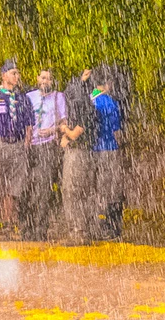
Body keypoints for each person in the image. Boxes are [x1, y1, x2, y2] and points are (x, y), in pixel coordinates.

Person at [0, 59, 34, 238]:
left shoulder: (22, 98)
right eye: (13, 73)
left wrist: (26, 144)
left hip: (17, 146)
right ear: (4, 76)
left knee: (13, 188)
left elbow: (29, 124)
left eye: (18, 73)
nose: (17, 76)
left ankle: (9, 224)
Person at [20, 69, 66, 241]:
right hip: (29, 147)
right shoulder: (29, 97)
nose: (46, 81)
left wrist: (52, 129)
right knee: (27, 188)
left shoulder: (58, 97)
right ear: (37, 78)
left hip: (48, 147)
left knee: (43, 190)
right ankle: (26, 228)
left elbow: (64, 123)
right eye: (43, 77)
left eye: (49, 78)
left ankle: (40, 229)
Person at [59, 68, 97, 245]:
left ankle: (79, 231)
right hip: (79, 152)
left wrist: (64, 131)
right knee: (74, 190)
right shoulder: (83, 105)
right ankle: (78, 230)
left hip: (79, 152)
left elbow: (76, 133)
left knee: (74, 191)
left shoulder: (85, 108)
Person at [90, 68, 124, 240]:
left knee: (94, 188)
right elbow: (116, 129)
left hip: (90, 150)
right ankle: (111, 226)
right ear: (107, 84)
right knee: (111, 189)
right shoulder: (110, 103)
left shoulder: (89, 100)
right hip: (109, 148)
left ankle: (94, 223)